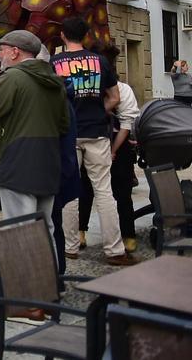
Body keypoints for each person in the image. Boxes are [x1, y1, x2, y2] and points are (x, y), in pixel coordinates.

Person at [51, 18, 131, 266]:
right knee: (104, 191)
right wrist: (100, 110)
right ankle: (115, 249)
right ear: (86, 35)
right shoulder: (101, 61)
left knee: (69, 191)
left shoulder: (54, 64)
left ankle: (70, 246)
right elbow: (115, 97)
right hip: (97, 132)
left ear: (63, 35)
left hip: (68, 134)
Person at [0, 30, 67, 233]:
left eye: (1, 49)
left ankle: (24, 266)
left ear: (15, 52)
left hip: (18, 163)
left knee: (19, 230)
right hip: (48, 162)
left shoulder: (13, 77)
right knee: (44, 228)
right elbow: (63, 125)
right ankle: (47, 265)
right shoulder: (54, 80)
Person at [77, 45, 142, 254]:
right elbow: (127, 123)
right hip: (105, 144)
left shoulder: (112, 89)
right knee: (111, 191)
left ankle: (85, 233)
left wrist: (112, 150)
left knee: (101, 189)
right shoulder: (114, 89)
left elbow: (125, 124)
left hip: (109, 144)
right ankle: (124, 236)